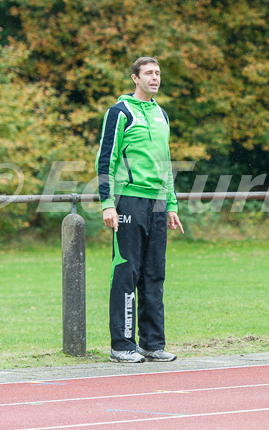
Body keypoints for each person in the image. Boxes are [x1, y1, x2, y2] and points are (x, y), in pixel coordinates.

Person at [95, 56, 184, 363]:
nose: (155, 77)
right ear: (135, 78)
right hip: (128, 200)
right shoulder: (120, 112)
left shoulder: (161, 113)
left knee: (154, 273)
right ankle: (121, 345)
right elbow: (106, 159)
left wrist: (171, 204)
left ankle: (152, 344)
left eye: (158, 73)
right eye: (148, 73)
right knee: (126, 271)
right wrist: (108, 203)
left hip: (158, 202)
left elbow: (166, 162)